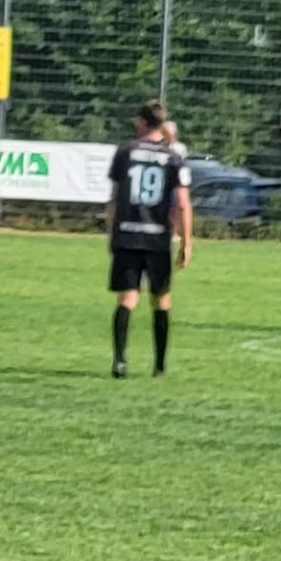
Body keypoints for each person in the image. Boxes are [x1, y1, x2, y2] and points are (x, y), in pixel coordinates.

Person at [108, 101, 192, 379]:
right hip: (158, 239)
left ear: (144, 122)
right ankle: (159, 366)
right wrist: (187, 243)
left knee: (128, 297)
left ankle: (120, 361)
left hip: (128, 235)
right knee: (161, 300)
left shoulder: (125, 152)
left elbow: (115, 198)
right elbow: (183, 203)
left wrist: (111, 233)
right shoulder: (172, 156)